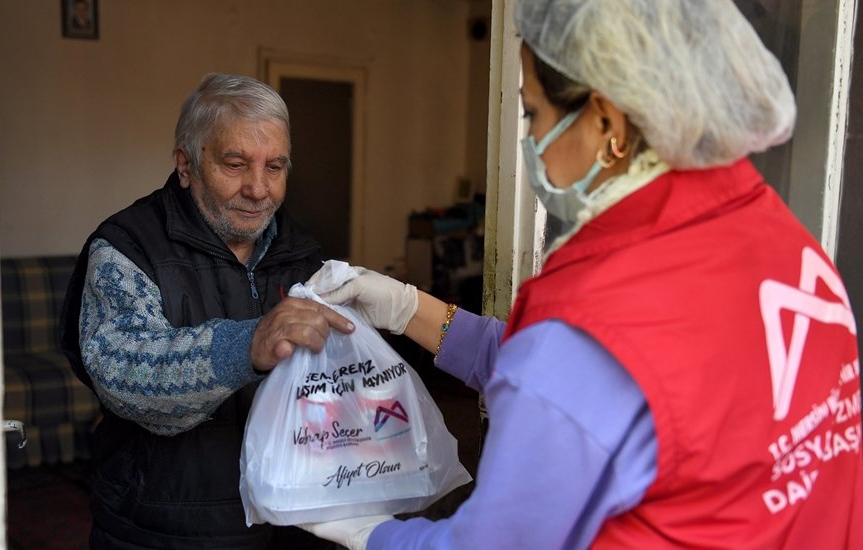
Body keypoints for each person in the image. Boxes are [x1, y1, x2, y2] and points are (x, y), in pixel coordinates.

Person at [297, 0, 863, 548]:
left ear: (605, 120)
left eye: (534, 113)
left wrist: (375, 535)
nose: (529, 141)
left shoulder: (599, 313)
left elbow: (569, 395)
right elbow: (600, 400)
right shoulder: (784, 243)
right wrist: (407, 307)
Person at [59, 73, 353, 549]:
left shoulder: (303, 252)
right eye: (235, 164)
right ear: (186, 165)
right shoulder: (126, 248)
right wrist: (247, 346)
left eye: (275, 167)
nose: (259, 190)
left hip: (292, 522)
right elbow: (125, 376)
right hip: (165, 529)